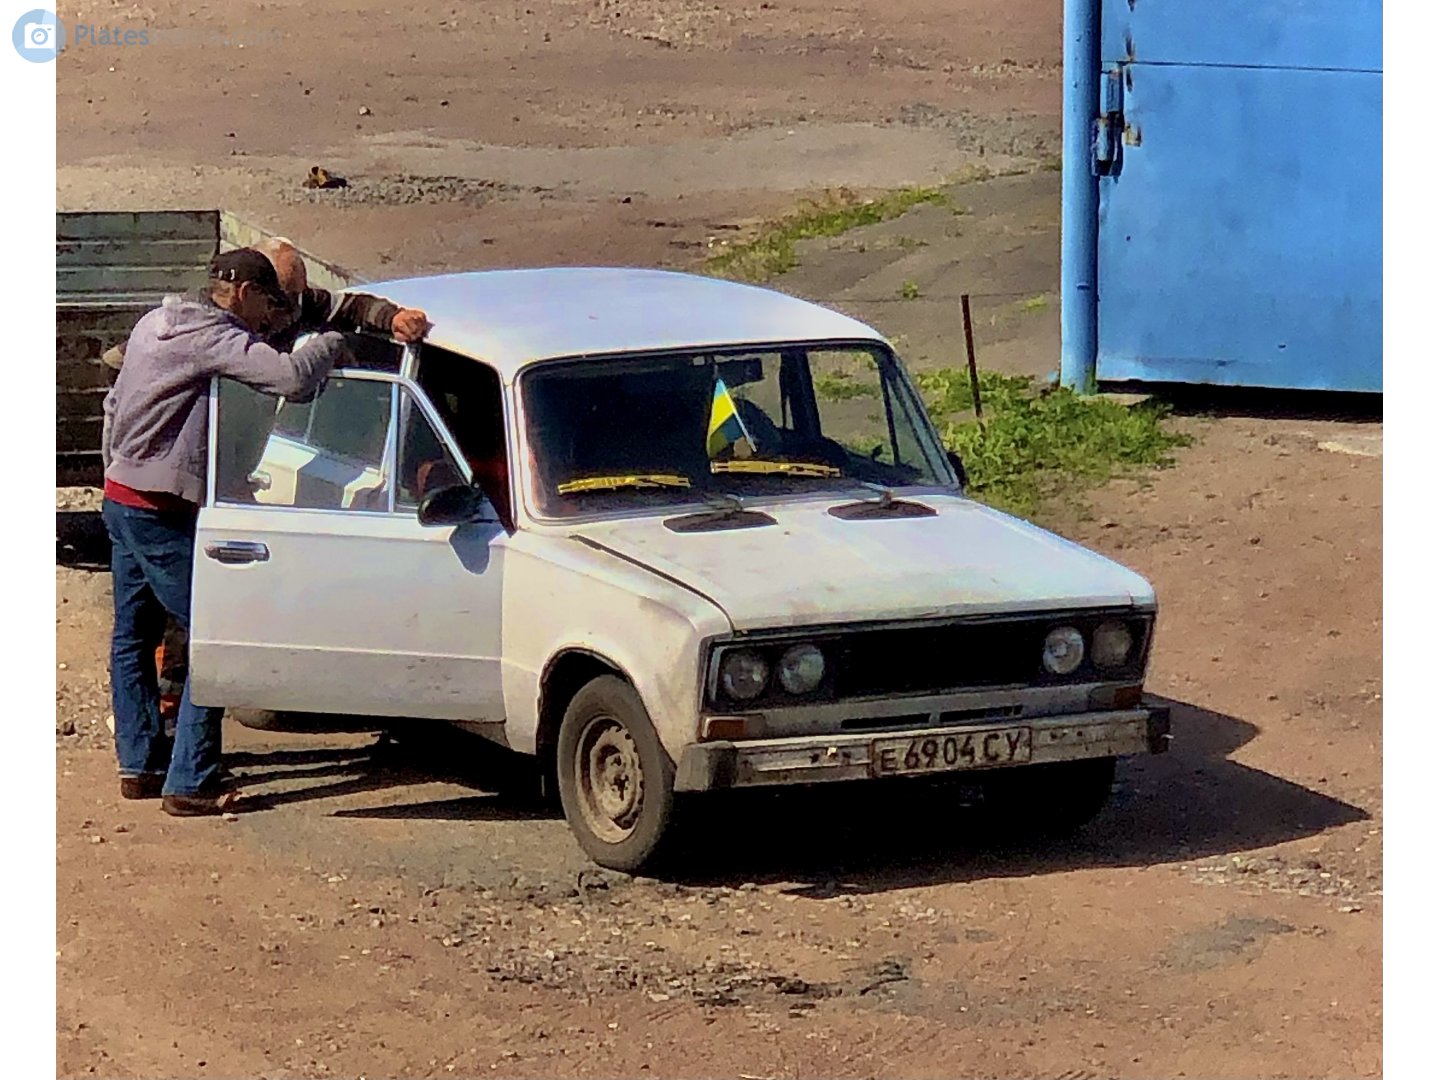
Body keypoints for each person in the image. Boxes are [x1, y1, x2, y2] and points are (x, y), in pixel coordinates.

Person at [102, 248, 351, 817]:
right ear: (242, 293)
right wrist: (330, 345)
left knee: (132, 636)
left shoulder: (153, 323)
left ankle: (140, 765)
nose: (267, 319)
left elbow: (115, 406)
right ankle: (192, 778)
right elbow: (289, 377)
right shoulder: (215, 337)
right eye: (266, 304)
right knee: (214, 637)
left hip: (120, 496)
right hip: (161, 508)